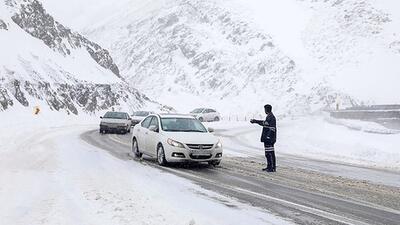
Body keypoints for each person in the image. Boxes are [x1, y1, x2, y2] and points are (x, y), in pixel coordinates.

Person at [250, 104, 277, 172]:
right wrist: (255, 121)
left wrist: (268, 136)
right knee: (267, 153)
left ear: (267, 109)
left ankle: (272, 167)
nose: (264, 110)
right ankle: (269, 166)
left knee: (270, 153)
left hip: (270, 139)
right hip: (267, 139)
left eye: (265, 109)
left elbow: (272, 128)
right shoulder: (268, 117)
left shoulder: (272, 117)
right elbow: (264, 123)